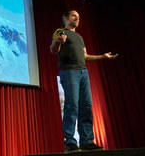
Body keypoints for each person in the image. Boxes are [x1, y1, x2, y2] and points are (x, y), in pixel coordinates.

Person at [50, 10, 118, 153]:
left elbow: (85, 56)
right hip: (69, 72)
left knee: (87, 105)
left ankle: (87, 141)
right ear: (66, 18)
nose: (77, 18)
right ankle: (69, 142)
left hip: (83, 72)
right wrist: (57, 42)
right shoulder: (60, 31)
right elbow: (53, 49)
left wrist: (103, 57)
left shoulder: (79, 37)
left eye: (79, 17)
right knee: (72, 105)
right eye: (74, 16)